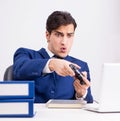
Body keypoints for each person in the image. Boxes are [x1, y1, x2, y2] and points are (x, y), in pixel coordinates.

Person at [13, 11, 93, 103]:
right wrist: (52, 64)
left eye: (69, 35)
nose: (64, 42)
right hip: (35, 117)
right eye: (59, 35)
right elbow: (19, 69)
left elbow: (89, 104)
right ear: (47, 35)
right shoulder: (26, 54)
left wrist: (81, 94)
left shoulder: (81, 66)